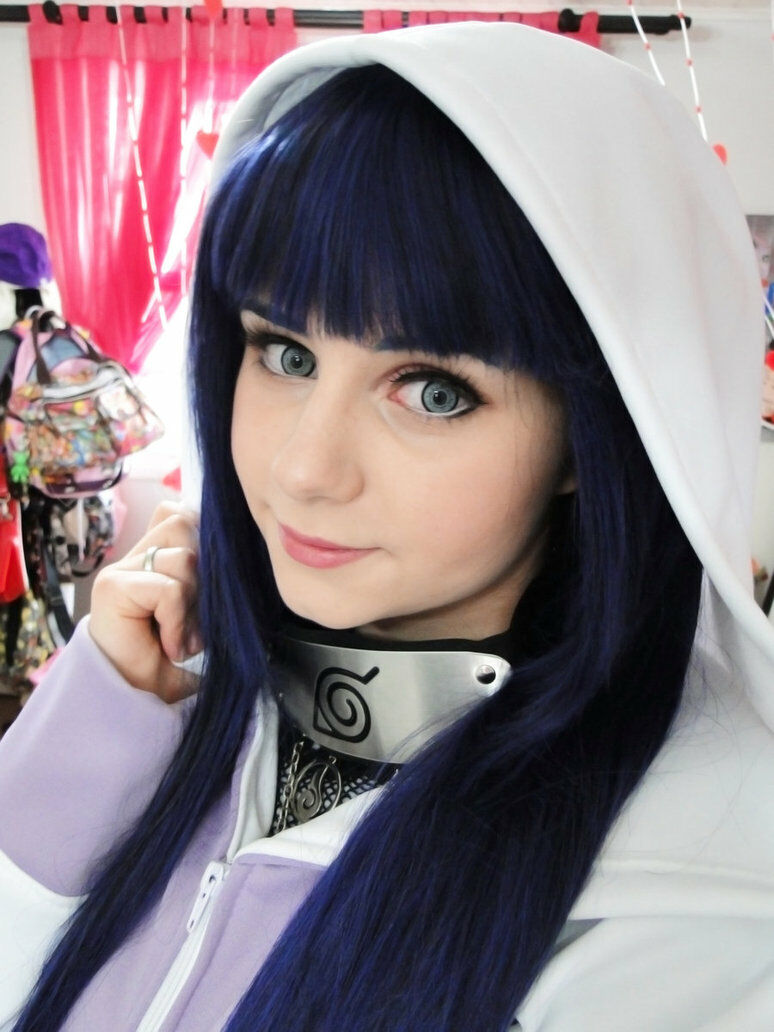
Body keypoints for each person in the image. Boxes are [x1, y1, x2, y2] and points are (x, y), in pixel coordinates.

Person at [2, 20, 774, 1032]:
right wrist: (96, 719)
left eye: (434, 391)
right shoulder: (172, 702)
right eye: (284, 353)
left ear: (594, 440)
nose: (302, 469)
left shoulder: (689, 913)